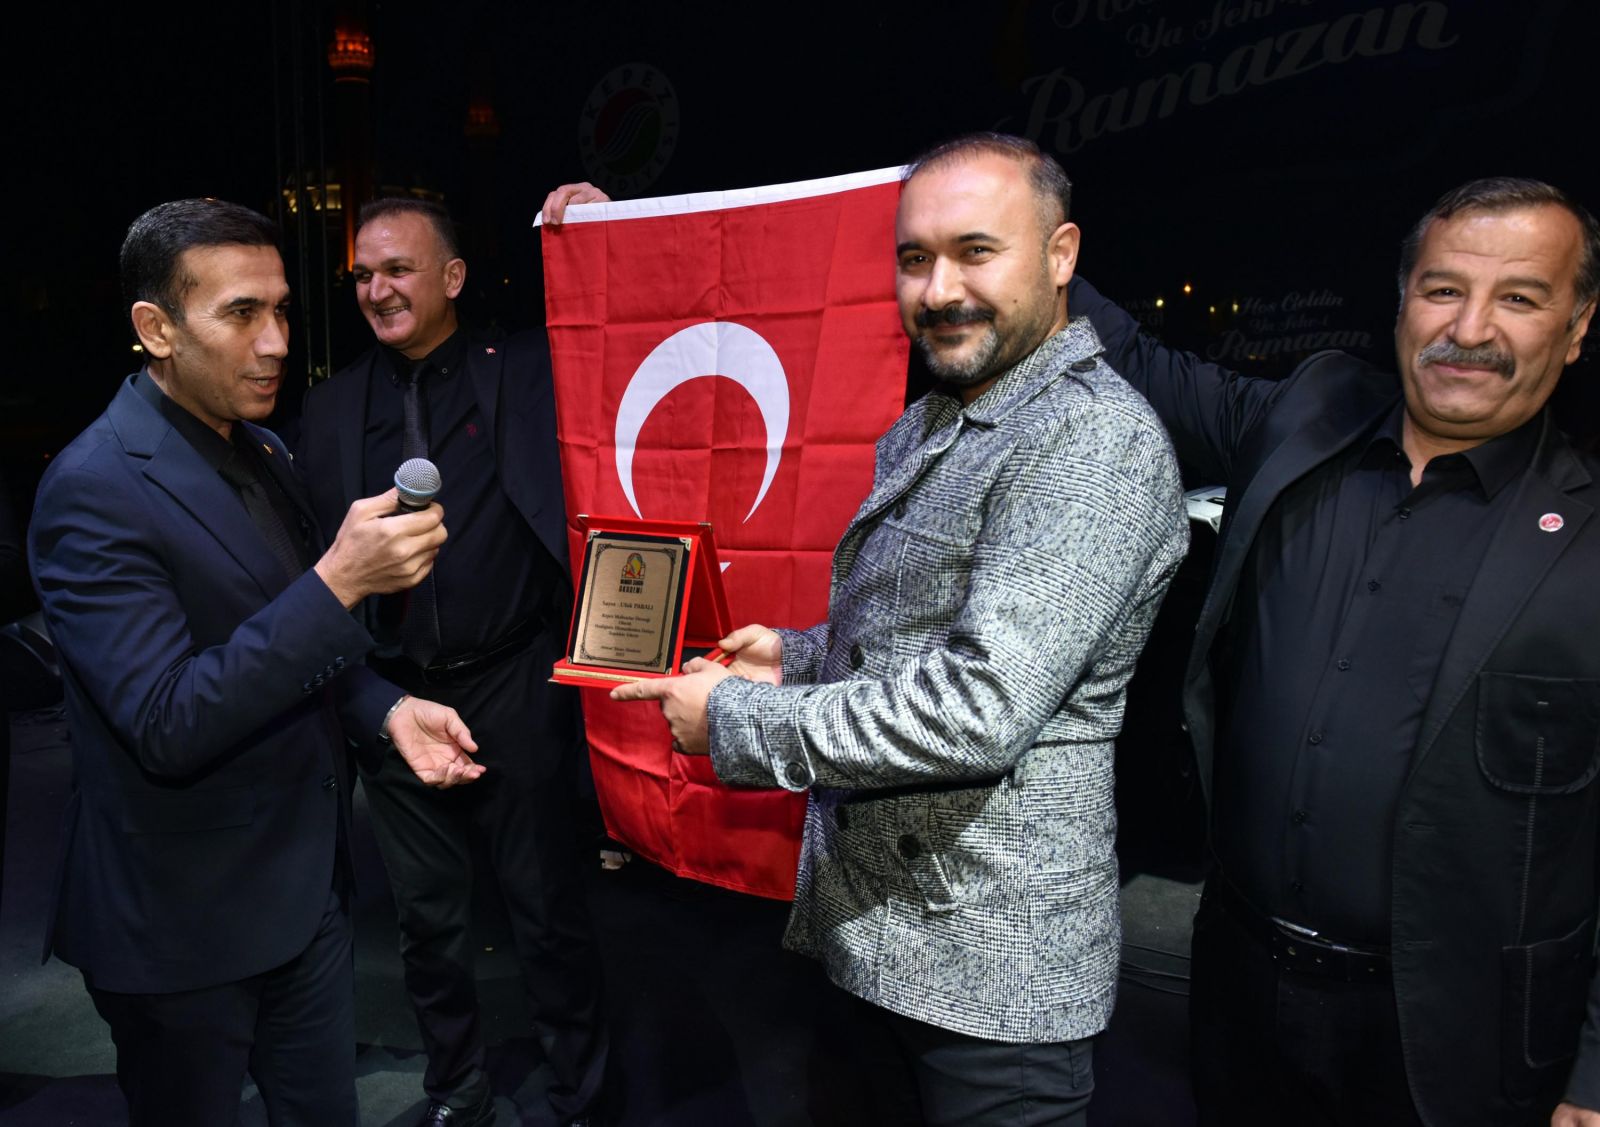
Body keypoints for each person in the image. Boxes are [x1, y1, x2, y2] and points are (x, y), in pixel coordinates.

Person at [612, 133, 1188, 1125]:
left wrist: (740, 719)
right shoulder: (941, 416)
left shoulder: (1093, 439)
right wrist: (799, 655)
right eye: (914, 258)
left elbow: (980, 706)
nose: (938, 288)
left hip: (992, 983)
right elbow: (922, 638)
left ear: (1060, 255)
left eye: (976, 252)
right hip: (877, 941)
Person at [1070, 178, 1600, 1126]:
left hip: (1450, 1040)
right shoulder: (1304, 419)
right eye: (1443, 289)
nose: (1469, 328)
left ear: (1576, 326)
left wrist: (1592, 1079)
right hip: (1237, 988)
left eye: (1519, 297)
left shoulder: (1589, 538)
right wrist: (993, 224)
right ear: (1401, 303)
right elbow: (1132, 357)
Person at [27, 198, 484, 1127]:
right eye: (241, 313)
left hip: (306, 896)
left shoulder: (265, 447)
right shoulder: (92, 487)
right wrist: (337, 581)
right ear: (156, 328)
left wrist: (385, 708)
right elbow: (166, 720)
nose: (276, 342)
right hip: (181, 926)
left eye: (280, 310)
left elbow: (289, 644)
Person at [297, 198, 606, 1127]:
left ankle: (581, 1094)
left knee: (548, 912)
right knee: (428, 925)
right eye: (362, 274)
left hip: (517, 681)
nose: (377, 289)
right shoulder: (331, 407)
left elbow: (627, 337)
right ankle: (457, 1090)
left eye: (398, 269)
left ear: (453, 277)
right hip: (396, 696)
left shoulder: (526, 369)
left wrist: (604, 232)